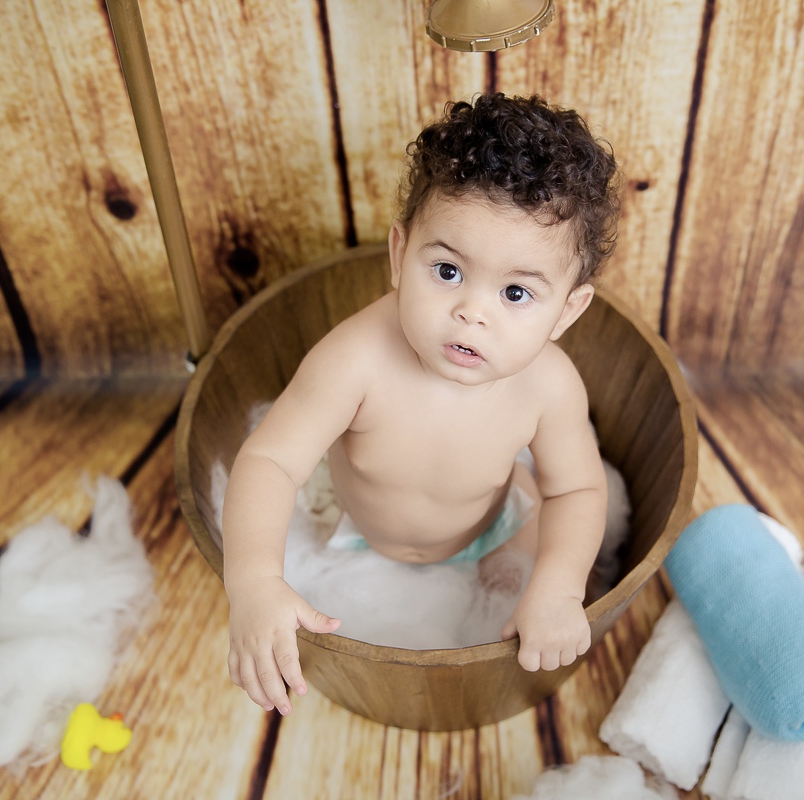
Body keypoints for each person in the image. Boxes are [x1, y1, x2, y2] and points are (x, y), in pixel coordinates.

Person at [222, 93, 621, 715]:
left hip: (495, 528)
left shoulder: (549, 386)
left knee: (550, 574)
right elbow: (269, 460)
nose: (472, 312)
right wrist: (253, 582)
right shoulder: (356, 359)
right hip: (359, 528)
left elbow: (577, 489)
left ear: (567, 311)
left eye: (516, 293)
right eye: (448, 271)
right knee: (290, 558)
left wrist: (557, 587)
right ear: (399, 256)